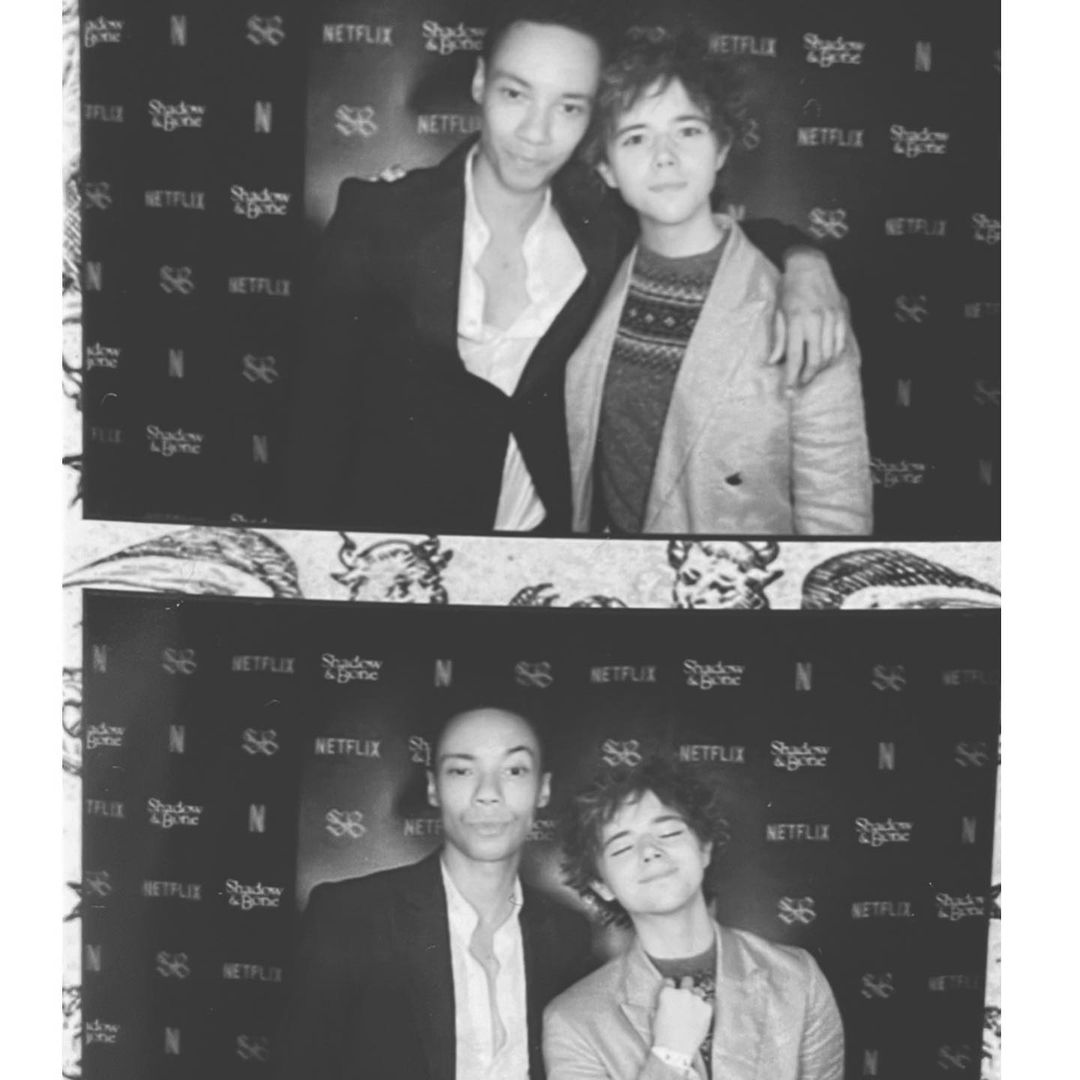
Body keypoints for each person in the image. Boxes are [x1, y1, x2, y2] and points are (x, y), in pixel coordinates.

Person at [284, 0, 851, 533]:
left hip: (549, 556)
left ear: (590, 122)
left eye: (569, 106)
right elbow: (316, 424)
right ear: (480, 83)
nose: (536, 132)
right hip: (401, 557)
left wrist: (804, 261)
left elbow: (700, 224)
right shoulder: (380, 215)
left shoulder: (603, 225)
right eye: (515, 94)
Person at [565, 30, 872, 534]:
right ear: (607, 168)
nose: (664, 156)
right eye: (636, 137)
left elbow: (835, 514)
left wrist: (806, 260)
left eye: (687, 131)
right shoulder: (585, 278)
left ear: (721, 148)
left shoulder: (801, 304)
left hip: (738, 581)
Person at [272, 707, 592, 1080]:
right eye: (462, 770)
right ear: (432, 788)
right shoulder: (350, 917)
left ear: (543, 789)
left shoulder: (568, 933)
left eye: (514, 770)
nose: (488, 794)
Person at [544, 758, 844, 1080]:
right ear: (601, 886)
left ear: (705, 848)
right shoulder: (574, 1021)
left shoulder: (796, 977)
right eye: (622, 848)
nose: (650, 851)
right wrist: (670, 1054)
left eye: (669, 832)